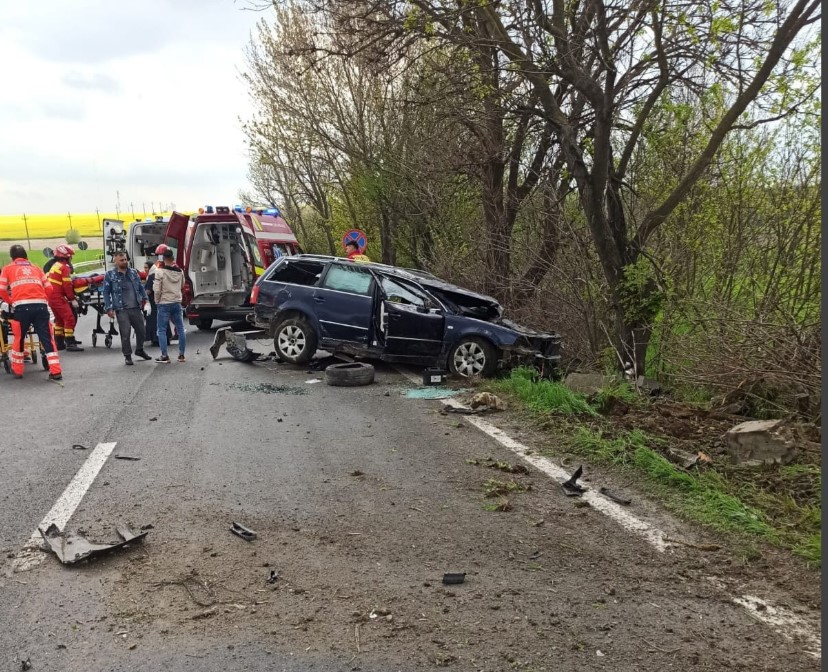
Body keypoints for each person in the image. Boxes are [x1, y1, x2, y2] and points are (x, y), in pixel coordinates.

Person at [0, 245, 62, 380]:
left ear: (12, 258)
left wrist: (10, 301)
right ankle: (56, 371)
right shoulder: (36, 268)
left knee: (19, 338)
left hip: (21, 309)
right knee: (47, 340)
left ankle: (18, 370)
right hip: (41, 307)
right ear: (26, 256)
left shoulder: (8, 269)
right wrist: (42, 299)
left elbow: (2, 290)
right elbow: (49, 288)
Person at [102, 251, 151, 365]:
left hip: (135, 308)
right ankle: (127, 356)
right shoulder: (110, 275)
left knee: (142, 331)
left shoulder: (133, 272)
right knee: (125, 333)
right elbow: (106, 292)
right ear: (115, 261)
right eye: (122, 260)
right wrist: (108, 308)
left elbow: (140, 288)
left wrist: (146, 300)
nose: (125, 262)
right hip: (122, 309)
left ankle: (139, 350)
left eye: (125, 259)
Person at [45, 244, 83, 351]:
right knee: (69, 318)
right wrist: (72, 299)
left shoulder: (56, 265)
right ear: (66, 256)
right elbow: (67, 285)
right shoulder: (64, 267)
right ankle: (70, 342)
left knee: (59, 321)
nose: (71, 258)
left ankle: (59, 343)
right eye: (70, 256)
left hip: (51, 296)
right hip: (58, 297)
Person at [152, 244, 186, 363]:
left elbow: (157, 289)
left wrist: (157, 301)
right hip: (177, 302)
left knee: (161, 330)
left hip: (164, 303)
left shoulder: (160, 272)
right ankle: (181, 355)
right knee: (180, 328)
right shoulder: (180, 271)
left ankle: (164, 355)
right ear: (173, 258)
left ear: (163, 259)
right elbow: (182, 285)